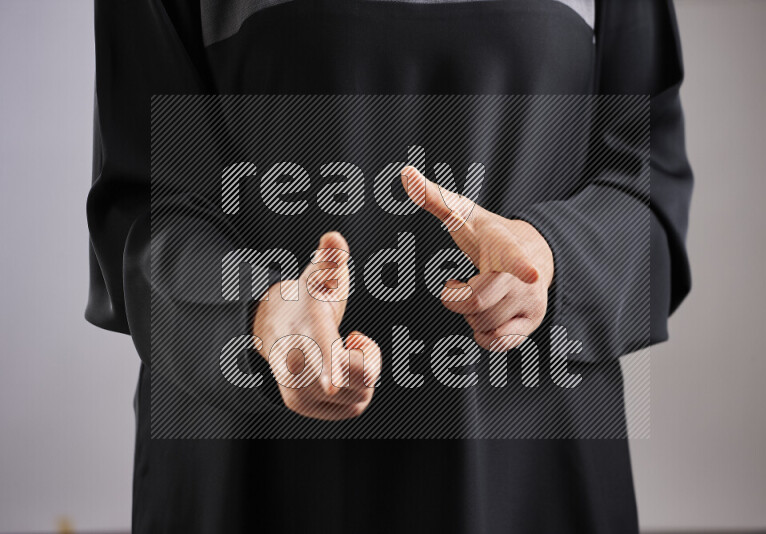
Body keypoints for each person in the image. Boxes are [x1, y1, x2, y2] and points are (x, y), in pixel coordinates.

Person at [86, 0, 692, 532]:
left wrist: (553, 255)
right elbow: (145, 206)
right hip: (252, 474)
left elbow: (646, 188)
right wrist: (253, 318)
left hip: (530, 476)